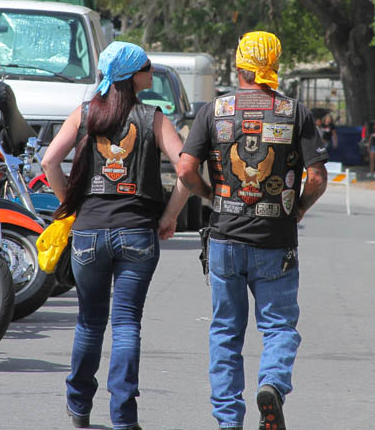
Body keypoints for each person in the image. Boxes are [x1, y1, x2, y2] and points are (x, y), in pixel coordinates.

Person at [176, 31, 328, 430]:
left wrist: (209, 196)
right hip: (275, 241)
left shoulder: (214, 110)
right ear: (274, 64)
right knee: (278, 326)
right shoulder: (295, 113)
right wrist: (297, 209)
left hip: (225, 238)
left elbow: (185, 169)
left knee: (225, 333)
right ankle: (273, 385)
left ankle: (229, 422)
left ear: (240, 64)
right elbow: (316, 177)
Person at [41, 41, 191, 430]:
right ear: (131, 76)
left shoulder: (84, 113)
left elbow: (49, 160)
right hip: (138, 234)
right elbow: (187, 172)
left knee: (90, 322)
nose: (151, 71)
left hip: (89, 233)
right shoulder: (154, 119)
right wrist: (169, 216)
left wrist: (70, 204)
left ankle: (78, 406)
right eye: (147, 66)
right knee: (126, 323)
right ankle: (124, 417)